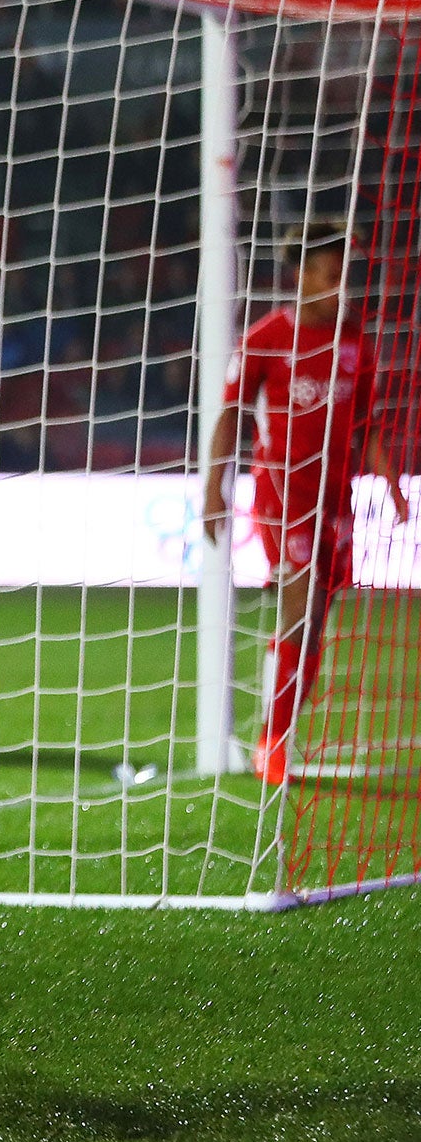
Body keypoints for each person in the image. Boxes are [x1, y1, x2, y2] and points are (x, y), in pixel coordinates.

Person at [202, 219, 408, 785]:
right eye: (329, 273)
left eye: (344, 274)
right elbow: (229, 415)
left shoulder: (353, 340)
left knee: (315, 623)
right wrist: (213, 488)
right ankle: (271, 738)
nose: (339, 285)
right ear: (302, 275)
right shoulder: (268, 336)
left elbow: (365, 424)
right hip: (282, 494)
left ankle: (277, 731)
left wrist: (391, 486)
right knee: (298, 606)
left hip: (336, 499)